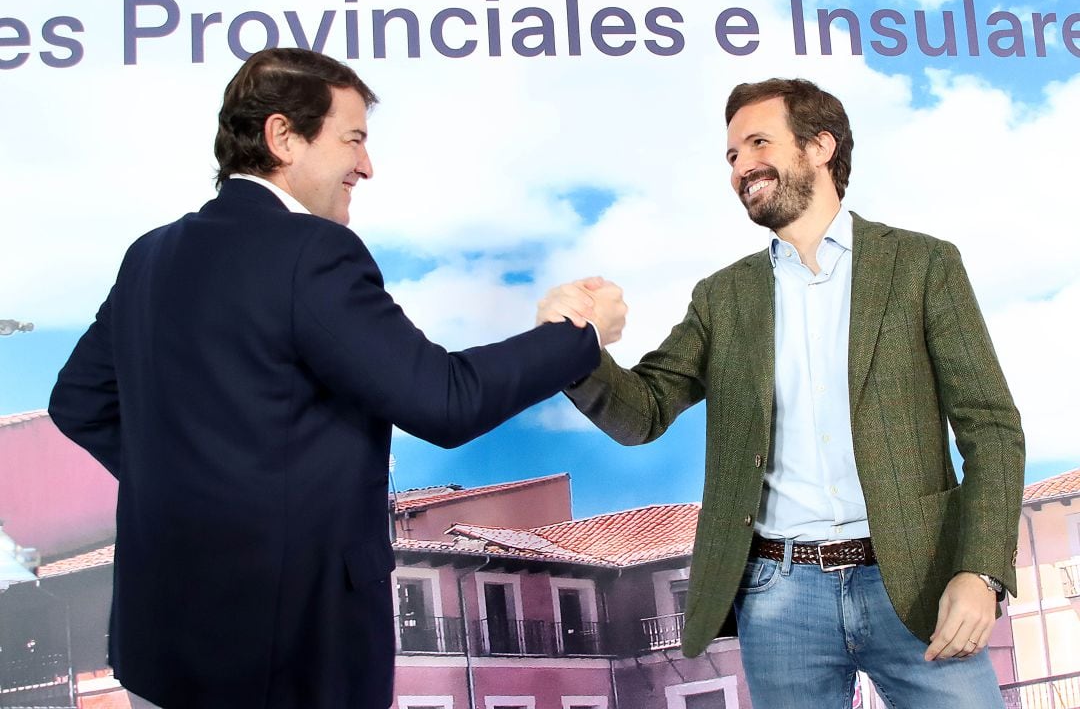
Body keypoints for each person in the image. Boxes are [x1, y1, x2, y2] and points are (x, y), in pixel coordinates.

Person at [48, 47, 626, 709]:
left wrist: (188, 492)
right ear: (283, 137)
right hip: (290, 660)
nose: (367, 166)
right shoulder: (311, 254)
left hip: (158, 650)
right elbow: (444, 400)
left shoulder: (151, 255)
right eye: (353, 140)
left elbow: (77, 403)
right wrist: (576, 338)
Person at [541, 78, 1024, 708]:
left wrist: (980, 570)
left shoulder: (923, 265)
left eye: (757, 143)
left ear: (820, 147)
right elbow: (645, 411)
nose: (741, 166)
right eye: (732, 156)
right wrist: (571, 344)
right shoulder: (723, 297)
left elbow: (992, 429)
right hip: (780, 596)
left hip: (918, 581)